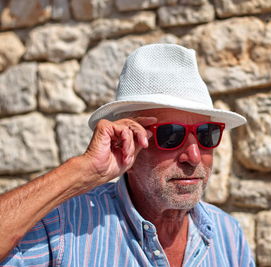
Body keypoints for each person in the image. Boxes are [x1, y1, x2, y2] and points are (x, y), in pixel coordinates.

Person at [0, 44, 254, 266]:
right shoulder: (65, 227)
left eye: (206, 133)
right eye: (170, 135)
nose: (194, 156)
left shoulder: (227, 234)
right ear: (127, 141)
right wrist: (83, 171)